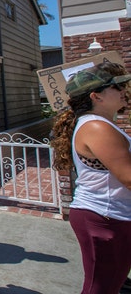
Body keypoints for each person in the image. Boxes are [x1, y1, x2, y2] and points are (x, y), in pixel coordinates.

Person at [51, 63, 131, 294]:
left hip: (109, 214)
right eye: (116, 87)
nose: (123, 90)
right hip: (105, 216)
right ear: (96, 96)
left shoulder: (99, 124)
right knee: (101, 287)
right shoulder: (96, 127)